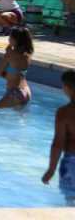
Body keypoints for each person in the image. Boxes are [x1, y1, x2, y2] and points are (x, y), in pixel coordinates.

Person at [42, 70, 75, 202]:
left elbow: (58, 143)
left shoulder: (64, 113)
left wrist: (51, 169)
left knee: (71, 200)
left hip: (72, 162)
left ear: (67, 88)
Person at [0, 27, 33, 108]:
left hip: (14, 93)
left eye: (10, 37)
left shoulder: (10, 55)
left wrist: (7, 75)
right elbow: (17, 73)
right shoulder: (27, 55)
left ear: (15, 39)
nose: (8, 39)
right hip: (26, 91)